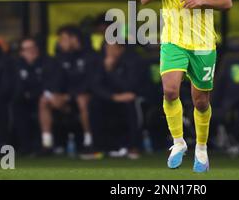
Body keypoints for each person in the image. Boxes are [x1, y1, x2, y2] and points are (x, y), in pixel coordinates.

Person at [140, 0, 232, 173]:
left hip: (203, 42)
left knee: (200, 101)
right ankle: (179, 143)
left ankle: (201, 148)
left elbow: (226, 2)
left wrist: (202, 0)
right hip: (173, 40)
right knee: (170, 91)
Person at [38, 26, 100, 157]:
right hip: (66, 99)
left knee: (82, 100)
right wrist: (55, 94)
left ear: (74, 39)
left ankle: (89, 142)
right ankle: (47, 144)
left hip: (90, 99)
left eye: (63, 39)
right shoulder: (60, 57)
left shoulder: (92, 56)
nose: (60, 42)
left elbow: (92, 83)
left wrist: (69, 96)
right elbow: (55, 80)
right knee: (44, 100)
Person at [92, 43, 142, 159]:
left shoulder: (132, 61)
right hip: (110, 97)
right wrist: (112, 97)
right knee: (94, 103)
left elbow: (129, 87)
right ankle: (102, 146)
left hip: (131, 96)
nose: (109, 52)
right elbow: (95, 85)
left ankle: (132, 146)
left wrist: (110, 71)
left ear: (121, 49)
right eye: (107, 49)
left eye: (112, 49)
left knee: (130, 103)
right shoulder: (101, 62)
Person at [10, 37, 58, 155]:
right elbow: (16, 86)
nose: (31, 51)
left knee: (42, 103)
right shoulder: (16, 65)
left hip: (44, 98)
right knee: (16, 104)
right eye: (27, 49)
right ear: (21, 52)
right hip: (25, 99)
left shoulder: (48, 62)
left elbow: (50, 84)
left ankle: (44, 145)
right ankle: (24, 146)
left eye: (33, 47)